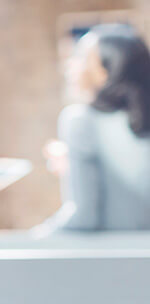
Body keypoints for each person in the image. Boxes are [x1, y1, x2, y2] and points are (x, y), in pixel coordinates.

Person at [45, 24, 150, 230]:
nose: (70, 66)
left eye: (79, 57)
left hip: (117, 258)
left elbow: (84, 217)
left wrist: (35, 240)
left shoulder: (81, 120)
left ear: (104, 72)